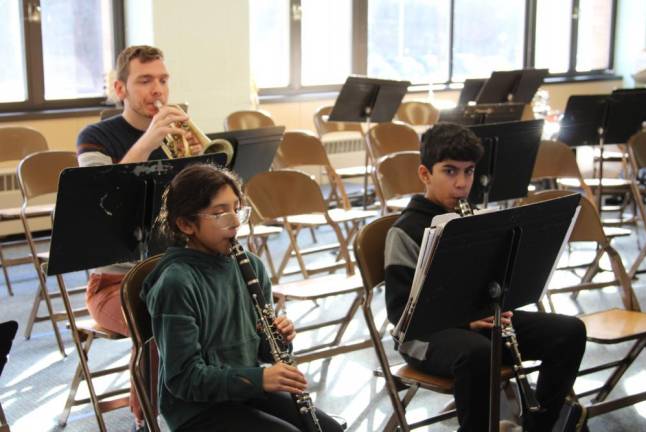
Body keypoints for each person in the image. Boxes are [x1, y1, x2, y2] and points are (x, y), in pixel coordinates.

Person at [384, 123, 588, 432]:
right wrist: (464, 321)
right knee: (479, 354)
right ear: (425, 174)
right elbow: (400, 314)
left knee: (569, 331)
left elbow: (490, 282)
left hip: (478, 324)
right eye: (450, 172)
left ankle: (541, 424)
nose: (462, 184)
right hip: (424, 337)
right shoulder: (404, 232)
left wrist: (500, 300)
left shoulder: (473, 218)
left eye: (468, 172)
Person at [141, 164, 343, 432]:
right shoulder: (176, 283)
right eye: (220, 213)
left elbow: (263, 351)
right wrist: (260, 379)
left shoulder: (252, 266)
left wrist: (279, 338)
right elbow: (184, 380)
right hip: (196, 410)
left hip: (245, 390)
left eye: (237, 209)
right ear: (186, 224)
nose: (235, 221)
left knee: (330, 430)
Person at [75, 45, 201, 431]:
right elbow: (102, 199)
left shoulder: (176, 136)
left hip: (173, 270)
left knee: (223, 305)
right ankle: (145, 419)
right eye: (144, 81)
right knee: (161, 321)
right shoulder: (95, 136)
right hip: (115, 283)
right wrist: (148, 142)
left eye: (163, 79)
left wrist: (195, 167)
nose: (157, 90)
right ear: (120, 88)